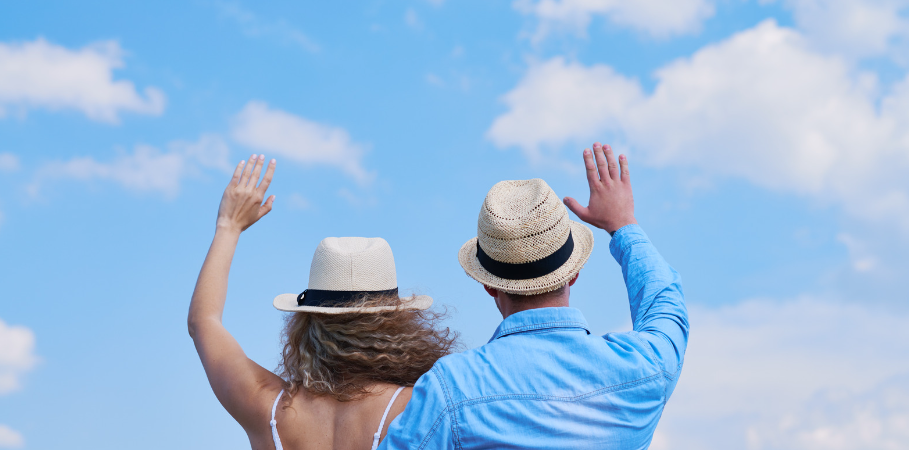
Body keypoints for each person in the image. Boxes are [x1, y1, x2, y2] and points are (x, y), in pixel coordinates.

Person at [380, 143, 689, 449]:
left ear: (488, 285)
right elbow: (665, 306)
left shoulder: (449, 389)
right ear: (574, 273)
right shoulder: (645, 367)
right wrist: (624, 225)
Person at [188, 154, 459, 450]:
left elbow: (203, 322)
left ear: (308, 323)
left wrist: (228, 227)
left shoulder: (267, 407)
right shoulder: (418, 409)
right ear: (396, 325)